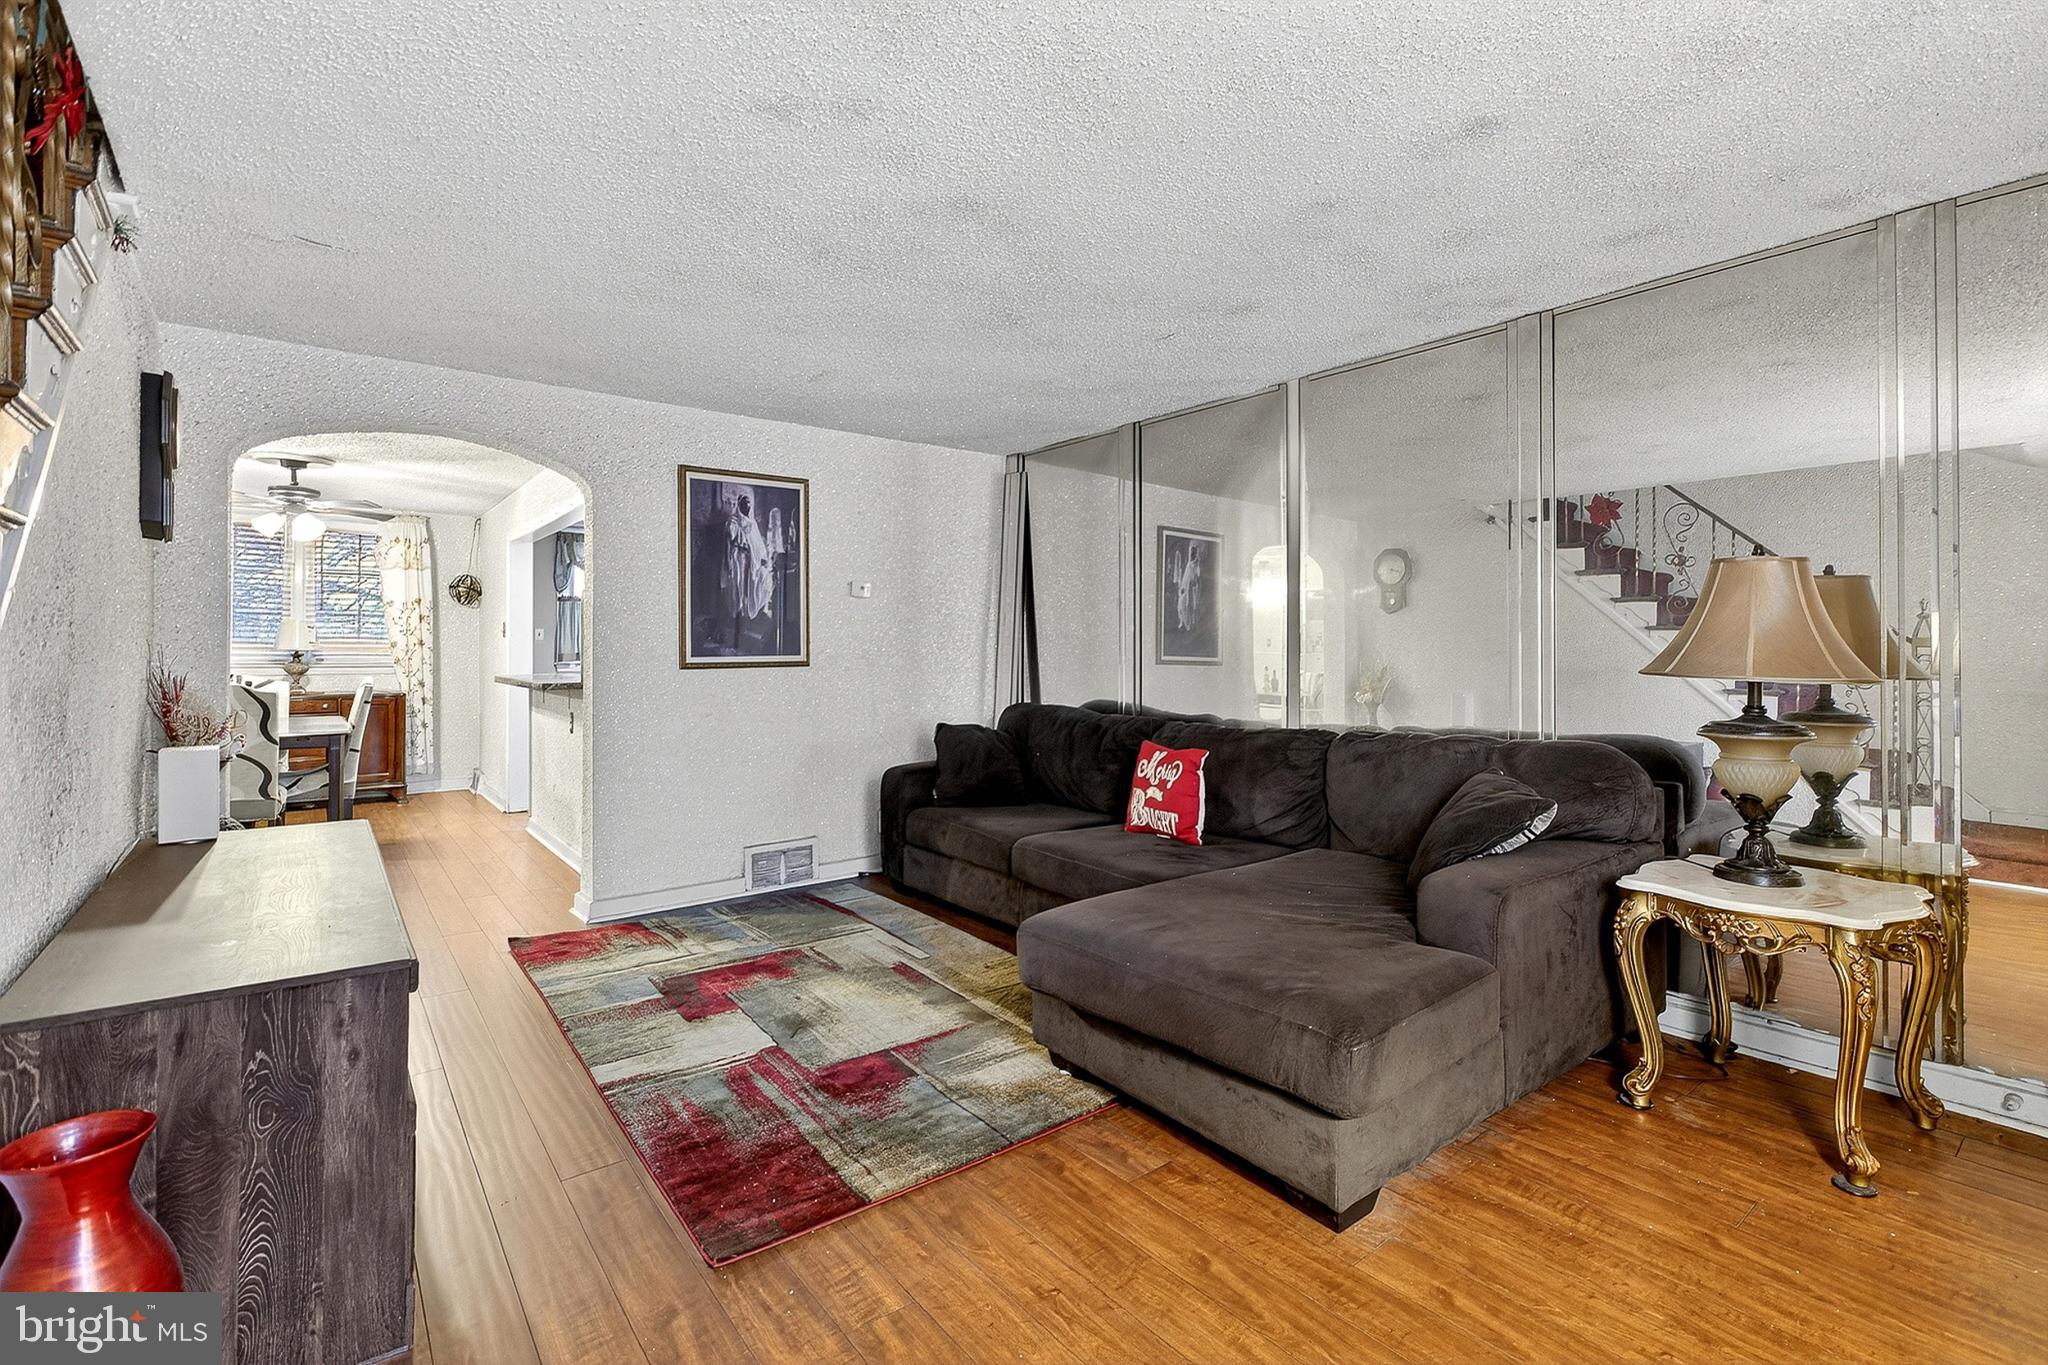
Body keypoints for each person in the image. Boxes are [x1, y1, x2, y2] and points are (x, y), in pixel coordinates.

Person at [722, 488, 774, 648]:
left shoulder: (753, 524)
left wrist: (763, 559)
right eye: (745, 505)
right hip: (738, 561)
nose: (747, 508)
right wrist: (729, 562)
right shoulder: (732, 523)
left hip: (752, 562)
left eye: (749, 505)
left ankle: (746, 624)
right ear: (739, 505)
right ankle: (737, 627)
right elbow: (728, 545)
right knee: (738, 590)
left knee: (751, 587)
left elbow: (757, 544)